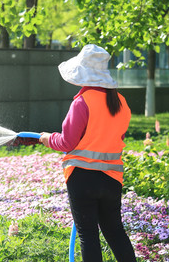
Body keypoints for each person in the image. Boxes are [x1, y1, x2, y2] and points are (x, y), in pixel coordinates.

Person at [39, 44, 136, 262]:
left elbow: (67, 141)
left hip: (82, 179)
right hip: (112, 179)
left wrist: (46, 138)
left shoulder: (82, 102)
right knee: (115, 232)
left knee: (88, 235)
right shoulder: (121, 103)